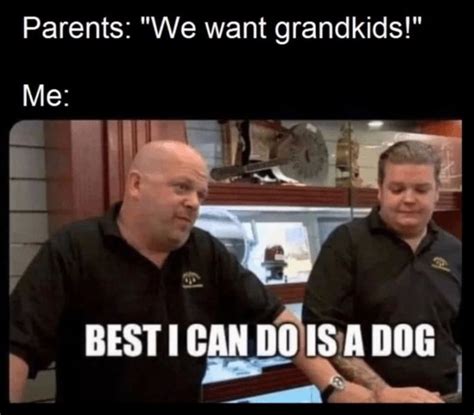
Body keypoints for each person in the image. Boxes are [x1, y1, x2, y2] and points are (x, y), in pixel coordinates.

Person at [10, 140, 374, 403]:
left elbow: (276, 319)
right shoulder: (76, 247)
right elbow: (17, 346)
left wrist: (333, 387)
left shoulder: (204, 250)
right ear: (136, 184)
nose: (194, 203)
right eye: (182, 188)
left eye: (201, 194)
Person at [303, 140, 461, 403]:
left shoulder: (454, 250)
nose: (408, 199)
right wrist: (381, 391)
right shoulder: (347, 243)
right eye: (397, 189)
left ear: (437, 192)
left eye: (421, 189)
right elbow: (321, 330)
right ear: (380, 191)